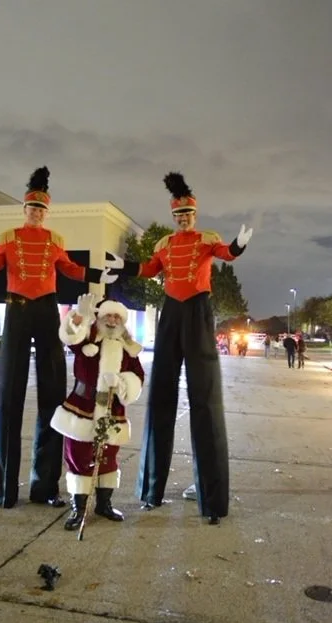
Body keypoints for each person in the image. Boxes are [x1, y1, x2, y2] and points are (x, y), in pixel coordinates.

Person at [0, 167, 117, 509]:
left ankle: (45, 487)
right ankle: (3, 490)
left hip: (47, 310)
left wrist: (99, 273)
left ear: (45, 212)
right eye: (32, 208)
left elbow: (69, 268)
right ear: (24, 210)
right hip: (18, 310)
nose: (37, 213)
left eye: (41, 209)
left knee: (53, 395)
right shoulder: (10, 237)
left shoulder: (55, 240)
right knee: (9, 395)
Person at [107, 172, 253, 524]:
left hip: (199, 310)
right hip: (171, 311)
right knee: (160, 397)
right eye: (178, 216)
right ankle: (151, 490)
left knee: (205, 398)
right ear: (174, 217)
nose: (183, 219)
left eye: (187, 214)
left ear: (195, 214)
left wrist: (238, 244)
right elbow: (149, 269)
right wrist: (123, 267)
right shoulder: (165, 245)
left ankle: (212, 500)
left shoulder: (206, 239)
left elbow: (226, 255)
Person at [50, 294, 144, 531]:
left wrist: (123, 382)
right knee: (78, 456)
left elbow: (138, 377)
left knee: (108, 457)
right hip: (82, 406)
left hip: (112, 409)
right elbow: (70, 336)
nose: (112, 320)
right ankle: (79, 508)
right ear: (100, 318)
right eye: (108, 315)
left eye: (117, 316)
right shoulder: (88, 337)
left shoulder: (129, 347)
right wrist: (80, 316)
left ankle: (104, 503)